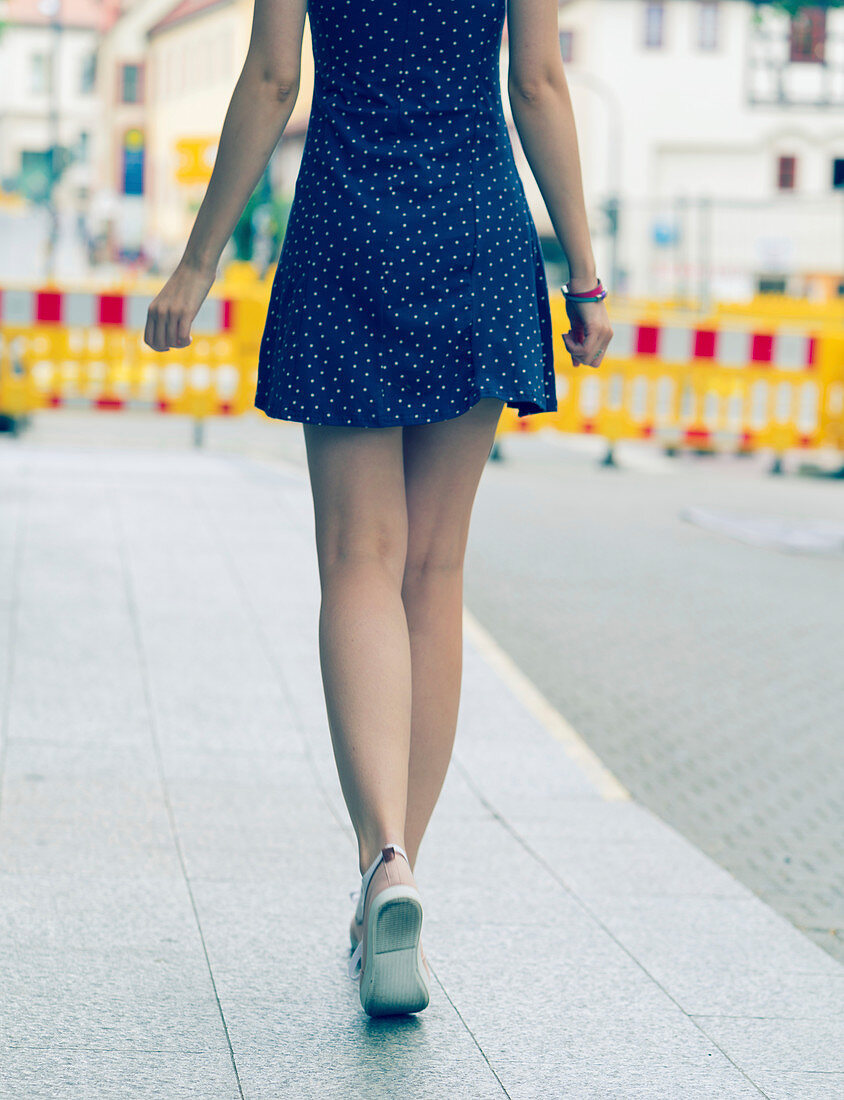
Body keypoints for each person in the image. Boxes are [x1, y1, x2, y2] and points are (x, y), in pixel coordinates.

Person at [144, 0, 612, 1018]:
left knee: (360, 555)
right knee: (433, 571)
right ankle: (397, 878)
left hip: (348, 229)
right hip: (476, 232)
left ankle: (381, 856)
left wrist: (198, 258)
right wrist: (584, 274)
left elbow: (273, 81)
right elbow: (537, 82)